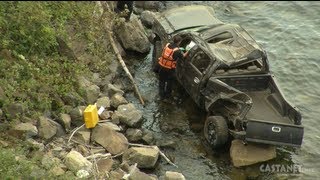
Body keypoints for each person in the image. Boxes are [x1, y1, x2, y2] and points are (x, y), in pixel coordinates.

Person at [158, 35, 188, 101]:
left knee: (162, 81)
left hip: (162, 66)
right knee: (169, 82)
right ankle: (168, 95)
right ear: (179, 42)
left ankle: (161, 95)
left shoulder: (167, 45)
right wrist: (188, 51)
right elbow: (183, 56)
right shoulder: (177, 51)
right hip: (170, 69)